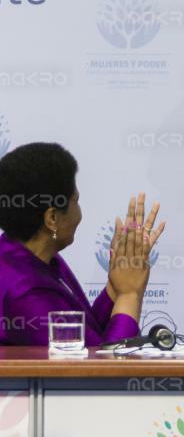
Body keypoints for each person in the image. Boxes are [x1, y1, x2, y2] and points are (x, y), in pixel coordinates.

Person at [0, 142, 164, 346]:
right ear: (52, 218)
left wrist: (115, 288)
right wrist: (130, 294)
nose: (80, 215)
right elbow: (99, 370)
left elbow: (88, 336)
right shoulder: (26, 294)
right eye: (75, 201)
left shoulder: (32, 256)